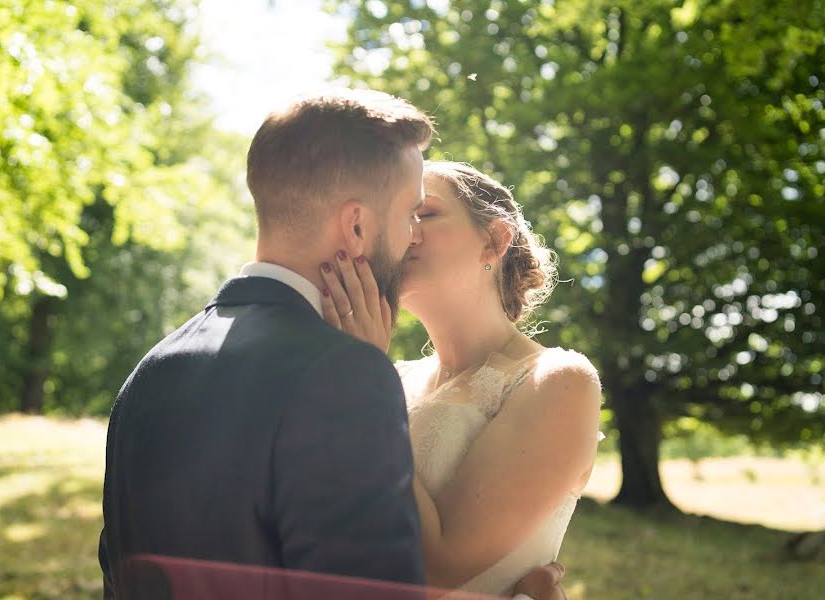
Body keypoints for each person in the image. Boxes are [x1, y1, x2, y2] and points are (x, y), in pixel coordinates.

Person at [99, 90, 568, 599]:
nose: (412, 234)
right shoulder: (344, 376)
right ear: (357, 224)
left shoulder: (153, 368)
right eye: (411, 212)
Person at [321, 161, 603, 596]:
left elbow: (438, 567)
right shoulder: (390, 380)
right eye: (396, 218)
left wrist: (362, 382)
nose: (403, 231)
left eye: (425, 213)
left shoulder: (558, 381)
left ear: (493, 240)